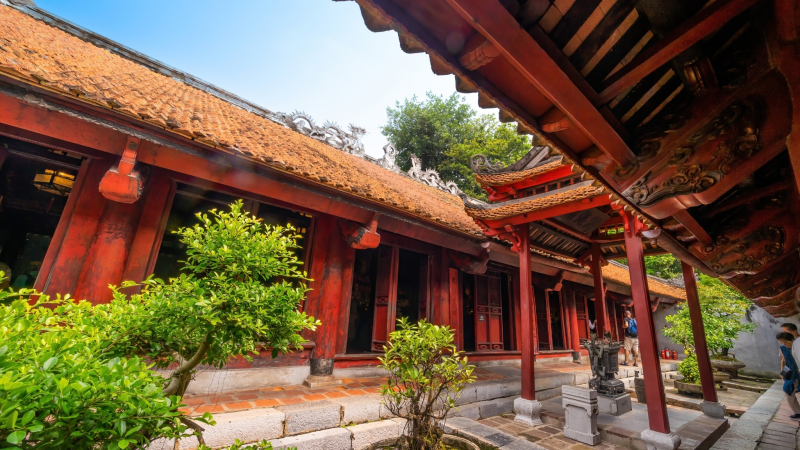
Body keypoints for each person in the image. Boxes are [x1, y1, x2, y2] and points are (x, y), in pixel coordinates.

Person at [776, 332, 800, 419]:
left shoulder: (797, 346)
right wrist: (782, 372)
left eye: (785, 341)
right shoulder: (782, 348)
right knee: (788, 391)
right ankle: (797, 411)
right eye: (781, 341)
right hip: (789, 373)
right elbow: (783, 360)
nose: (784, 343)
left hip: (798, 372)